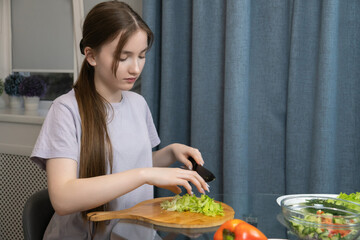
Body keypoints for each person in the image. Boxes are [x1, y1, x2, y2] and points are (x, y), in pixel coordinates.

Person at [30, 1, 209, 239]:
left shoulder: (137, 104)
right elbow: (63, 198)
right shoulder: (65, 110)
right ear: (91, 56)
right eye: (124, 57)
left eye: (142, 56)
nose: (136, 68)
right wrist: (145, 174)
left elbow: (125, 163)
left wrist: (170, 153)